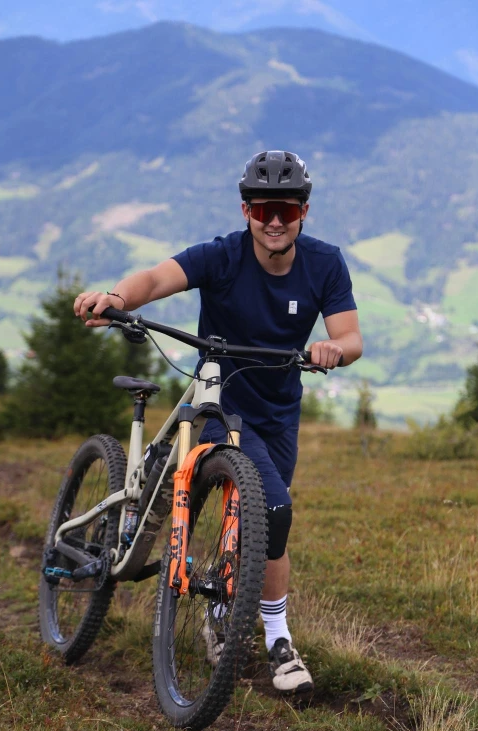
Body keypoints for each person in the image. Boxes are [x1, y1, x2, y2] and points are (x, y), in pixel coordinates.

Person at [74, 150, 363, 694]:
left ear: (304, 212)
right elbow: (157, 279)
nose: (273, 220)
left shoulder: (325, 264)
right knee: (273, 507)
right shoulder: (222, 256)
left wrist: (333, 349)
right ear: (244, 210)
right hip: (222, 405)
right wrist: (115, 297)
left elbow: (351, 338)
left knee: (265, 524)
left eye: (285, 209)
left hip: (279, 413)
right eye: (261, 209)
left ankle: (219, 612)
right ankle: (279, 642)